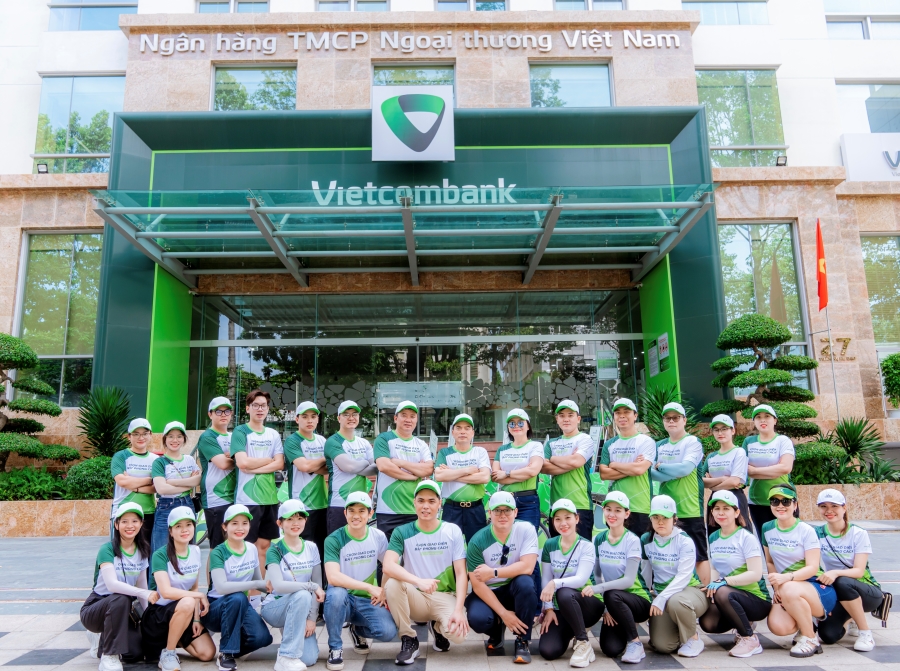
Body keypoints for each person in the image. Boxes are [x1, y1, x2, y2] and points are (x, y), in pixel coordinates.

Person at [383, 480, 469, 664]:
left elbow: (461, 573)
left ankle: (437, 628)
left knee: (459, 636)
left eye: (431, 501)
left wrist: (459, 610)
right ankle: (409, 638)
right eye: (421, 501)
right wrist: (418, 581)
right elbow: (388, 565)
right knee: (392, 583)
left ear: (440, 503)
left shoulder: (452, 530)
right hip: (416, 596)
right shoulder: (402, 531)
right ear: (414, 503)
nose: (425, 506)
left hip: (445, 596)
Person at [323, 491, 397, 671]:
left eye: (362, 511)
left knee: (388, 632)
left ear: (370, 513)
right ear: (345, 513)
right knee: (336, 594)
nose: (356, 516)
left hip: (365, 600)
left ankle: (357, 630)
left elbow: (389, 566)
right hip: (342, 599)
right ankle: (335, 648)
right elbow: (333, 577)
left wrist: (382, 590)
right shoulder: (333, 539)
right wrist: (370, 587)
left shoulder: (378, 536)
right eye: (352, 511)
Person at [762, 485, 837, 658]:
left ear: (795, 505)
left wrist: (786, 579)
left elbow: (812, 567)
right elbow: (770, 561)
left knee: (789, 588)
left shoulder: (806, 530)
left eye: (786, 501)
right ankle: (806, 625)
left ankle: (810, 639)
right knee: (779, 627)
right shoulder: (767, 528)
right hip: (787, 587)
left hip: (816, 587)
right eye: (775, 501)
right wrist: (777, 589)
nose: (780, 505)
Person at [81, 502, 158, 671]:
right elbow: (112, 585)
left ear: (141, 524)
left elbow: (142, 584)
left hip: (123, 609)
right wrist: (144, 593)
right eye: (124, 521)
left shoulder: (143, 550)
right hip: (97, 607)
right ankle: (109, 655)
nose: (130, 526)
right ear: (116, 525)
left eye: (134, 521)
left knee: (134, 654)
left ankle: (102, 641)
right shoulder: (107, 549)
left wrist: (146, 620)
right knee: (120, 598)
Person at [466, 491, 539, 663]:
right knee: (478, 619)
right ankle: (496, 629)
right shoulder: (477, 541)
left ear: (515, 512)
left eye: (507, 510)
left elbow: (528, 567)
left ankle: (522, 641)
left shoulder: (526, 529)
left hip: (513, 588)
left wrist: (493, 572)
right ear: (489, 513)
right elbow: (478, 585)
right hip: (489, 590)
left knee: (526, 584)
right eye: (497, 510)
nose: (502, 515)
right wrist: (504, 614)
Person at [202, 504, 274, 671]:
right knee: (238, 596)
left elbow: (258, 581)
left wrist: (278, 587)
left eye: (244, 523)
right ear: (224, 526)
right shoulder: (218, 552)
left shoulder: (251, 549)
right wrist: (256, 585)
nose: (240, 528)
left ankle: (233, 647)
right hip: (215, 608)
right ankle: (226, 653)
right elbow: (221, 588)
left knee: (263, 638)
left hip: (239, 605)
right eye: (234, 523)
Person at [143, 506, 216, 669]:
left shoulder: (195, 551)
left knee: (207, 653)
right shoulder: (160, 555)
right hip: (159, 615)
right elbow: (166, 592)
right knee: (188, 601)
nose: (185, 530)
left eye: (188, 525)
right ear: (170, 531)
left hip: (185, 612)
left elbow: (194, 588)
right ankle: (168, 653)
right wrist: (198, 597)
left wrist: (196, 619)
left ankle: (174, 640)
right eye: (178, 526)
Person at [700, 490, 771, 658]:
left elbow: (755, 574)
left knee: (722, 591)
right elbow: (714, 568)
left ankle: (749, 639)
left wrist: (724, 581)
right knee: (708, 623)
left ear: (737, 512)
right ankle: (744, 624)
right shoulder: (714, 537)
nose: (721, 513)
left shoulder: (746, 538)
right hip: (731, 595)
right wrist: (712, 586)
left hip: (757, 599)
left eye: (726, 508)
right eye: (717, 509)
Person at [815, 488, 885, 652]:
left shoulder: (858, 533)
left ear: (844, 508)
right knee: (828, 635)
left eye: (834, 506)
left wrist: (835, 572)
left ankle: (865, 633)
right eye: (824, 506)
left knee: (842, 581)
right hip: (838, 591)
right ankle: (851, 617)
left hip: (867, 591)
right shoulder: (816, 533)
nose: (829, 511)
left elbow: (859, 571)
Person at [587, 491, 651, 664]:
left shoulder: (632, 540)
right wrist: (607, 609)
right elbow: (597, 575)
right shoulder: (599, 539)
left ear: (626, 514)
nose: (612, 514)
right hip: (613, 601)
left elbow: (628, 580)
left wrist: (599, 591)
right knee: (610, 649)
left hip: (638, 599)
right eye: (608, 509)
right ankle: (626, 622)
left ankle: (635, 644)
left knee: (612, 594)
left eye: (618, 510)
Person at [261, 499, 325, 671]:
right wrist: (310, 587)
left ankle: (289, 639)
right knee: (303, 594)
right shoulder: (274, 550)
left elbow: (318, 583)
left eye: (300, 518)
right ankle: (286, 656)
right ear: (280, 523)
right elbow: (279, 586)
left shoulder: (311, 547)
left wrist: (311, 619)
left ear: (306, 520)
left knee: (309, 658)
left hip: (302, 608)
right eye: (289, 519)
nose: (295, 523)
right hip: (276, 607)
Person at [641, 495, 708, 658]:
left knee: (676, 601)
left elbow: (684, 576)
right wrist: (646, 596)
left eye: (665, 517)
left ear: (675, 519)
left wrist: (662, 597)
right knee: (663, 646)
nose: (660, 522)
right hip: (661, 593)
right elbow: (645, 572)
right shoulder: (646, 539)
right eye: (656, 517)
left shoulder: (684, 541)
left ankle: (694, 638)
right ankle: (678, 627)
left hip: (689, 590)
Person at [538, 499, 602, 667]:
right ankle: (574, 630)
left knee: (564, 591)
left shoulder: (586, 546)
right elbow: (546, 579)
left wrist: (555, 583)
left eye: (568, 518)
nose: (563, 523)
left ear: (577, 519)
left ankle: (583, 643)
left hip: (588, 604)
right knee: (548, 650)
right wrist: (549, 609)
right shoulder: (550, 545)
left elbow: (581, 579)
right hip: (562, 606)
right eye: (558, 519)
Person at [650, 403, 709, 584]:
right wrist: (674, 472)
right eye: (667, 418)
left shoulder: (692, 442)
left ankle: (706, 591)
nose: (671, 421)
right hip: (665, 511)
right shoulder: (659, 445)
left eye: (676, 417)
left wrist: (662, 466)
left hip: (690, 509)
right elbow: (651, 474)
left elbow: (685, 469)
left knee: (699, 555)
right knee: (667, 553)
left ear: (684, 420)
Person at [231, 389, 285, 573]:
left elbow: (280, 463)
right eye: (255, 405)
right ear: (248, 408)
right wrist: (268, 460)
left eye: (263, 405)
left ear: (268, 409)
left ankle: (259, 588)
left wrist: (253, 468)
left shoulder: (273, 434)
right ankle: (247, 588)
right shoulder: (240, 431)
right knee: (247, 547)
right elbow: (242, 463)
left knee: (264, 546)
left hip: (269, 498)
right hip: (247, 499)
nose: (260, 409)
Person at [373, 400, 434, 539]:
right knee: (388, 552)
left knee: (414, 552)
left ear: (416, 420)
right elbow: (384, 466)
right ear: (395, 418)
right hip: (388, 511)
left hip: (415, 510)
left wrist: (400, 462)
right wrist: (414, 474)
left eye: (412, 416)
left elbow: (428, 469)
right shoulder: (384, 439)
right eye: (404, 415)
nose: (408, 419)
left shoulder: (421, 444)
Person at [598, 399, 655, 537]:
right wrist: (632, 466)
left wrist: (615, 465)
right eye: (618, 413)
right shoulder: (609, 444)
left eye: (626, 412)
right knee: (616, 546)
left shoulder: (646, 441)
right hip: (616, 508)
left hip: (640, 506)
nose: (622, 416)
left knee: (640, 548)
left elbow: (639, 470)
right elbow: (604, 474)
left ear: (635, 415)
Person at [433, 413, 491, 542]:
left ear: (472, 432)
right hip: (451, 509)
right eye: (458, 428)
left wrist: (451, 474)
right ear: (453, 432)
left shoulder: (480, 452)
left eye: (467, 428)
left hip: (475, 509)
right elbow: (439, 475)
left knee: (477, 548)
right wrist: (467, 470)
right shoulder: (444, 453)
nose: (462, 431)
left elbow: (484, 477)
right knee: (449, 548)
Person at [542, 400, 595, 539]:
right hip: (556, 506)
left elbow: (576, 461)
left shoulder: (585, 439)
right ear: (557, 419)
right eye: (562, 415)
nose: (566, 419)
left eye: (570, 415)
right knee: (557, 549)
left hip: (580, 504)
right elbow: (544, 467)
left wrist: (553, 459)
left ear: (578, 419)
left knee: (581, 549)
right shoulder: (551, 443)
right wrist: (570, 462)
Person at [323, 400, 377, 535]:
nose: (351, 418)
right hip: (339, 504)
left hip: (361, 504)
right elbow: (348, 466)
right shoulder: (333, 441)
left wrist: (354, 466)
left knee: (359, 544)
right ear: (338, 418)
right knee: (337, 545)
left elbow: (375, 469)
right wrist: (365, 462)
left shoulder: (364, 443)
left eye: (354, 414)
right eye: (346, 414)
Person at [284, 401, 329, 558]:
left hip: (323, 503)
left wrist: (310, 466)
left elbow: (328, 469)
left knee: (322, 549)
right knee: (304, 550)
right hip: (302, 505)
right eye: (305, 417)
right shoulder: (292, 441)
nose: (309, 420)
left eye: (313, 416)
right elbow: (303, 466)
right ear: (297, 419)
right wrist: (322, 459)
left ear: (318, 419)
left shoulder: (322, 440)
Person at [742, 405, 796, 539]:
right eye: (758, 417)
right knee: (765, 542)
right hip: (757, 500)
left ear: (775, 420)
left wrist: (755, 470)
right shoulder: (748, 442)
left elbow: (785, 467)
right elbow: (745, 470)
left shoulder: (783, 440)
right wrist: (774, 470)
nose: (762, 420)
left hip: (784, 498)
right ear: (754, 421)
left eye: (767, 416)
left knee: (790, 540)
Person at [151, 422, 201, 555]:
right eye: (171, 436)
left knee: (187, 547)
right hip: (166, 506)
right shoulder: (159, 462)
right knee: (161, 549)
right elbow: (162, 489)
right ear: (165, 439)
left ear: (184, 439)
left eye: (179, 436)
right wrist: (188, 485)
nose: (175, 440)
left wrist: (173, 482)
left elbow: (198, 480)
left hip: (187, 503)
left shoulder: (189, 460)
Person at [492, 408, 544, 531]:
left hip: (528, 501)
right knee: (506, 538)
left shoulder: (535, 446)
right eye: (512, 423)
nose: (516, 426)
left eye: (520, 423)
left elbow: (533, 471)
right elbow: (496, 477)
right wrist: (524, 474)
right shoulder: (502, 449)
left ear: (528, 426)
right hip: (505, 501)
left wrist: (506, 473)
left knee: (528, 538)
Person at [110, 418, 159, 545]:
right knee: (122, 552)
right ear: (129, 436)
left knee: (146, 552)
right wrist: (149, 480)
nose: (140, 437)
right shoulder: (120, 456)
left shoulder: (156, 460)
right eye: (136, 434)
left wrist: (133, 485)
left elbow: (157, 487)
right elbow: (122, 481)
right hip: (123, 511)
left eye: (144, 433)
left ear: (150, 435)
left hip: (148, 512)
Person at [197, 396, 236, 550]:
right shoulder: (207, 437)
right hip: (216, 499)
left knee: (233, 546)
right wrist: (240, 458)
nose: (223, 414)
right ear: (210, 414)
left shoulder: (234, 436)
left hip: (235, 496)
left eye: (227, 411)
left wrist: (232, 456)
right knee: (217, 548)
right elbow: (223, 464)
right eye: (218, 411)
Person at [701, 415, 750, 533]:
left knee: (740, 533)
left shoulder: (739, 452)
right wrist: (723, 478)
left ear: (733, 431)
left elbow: (735, 481)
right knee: (715, 533)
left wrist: (713, 486)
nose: (720, 433)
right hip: (715, 500)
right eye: (716, 429)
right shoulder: (711, 457)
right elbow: (701, 481)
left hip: (735, 497)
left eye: (724, 429)